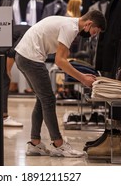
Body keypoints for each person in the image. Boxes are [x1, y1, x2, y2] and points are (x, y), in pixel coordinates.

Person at [15, 10, 106, 157]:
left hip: (23, 55)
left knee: (42, 99)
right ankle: (59, 145)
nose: (92, 36)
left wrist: (81, 74)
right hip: (30, 58)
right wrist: (83, 78)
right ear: (88, 24)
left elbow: (61, 56)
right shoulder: (71, 28)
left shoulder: (69, 24)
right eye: (94, 32)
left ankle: (35, 143)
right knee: (49, 99)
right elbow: (60, 61)